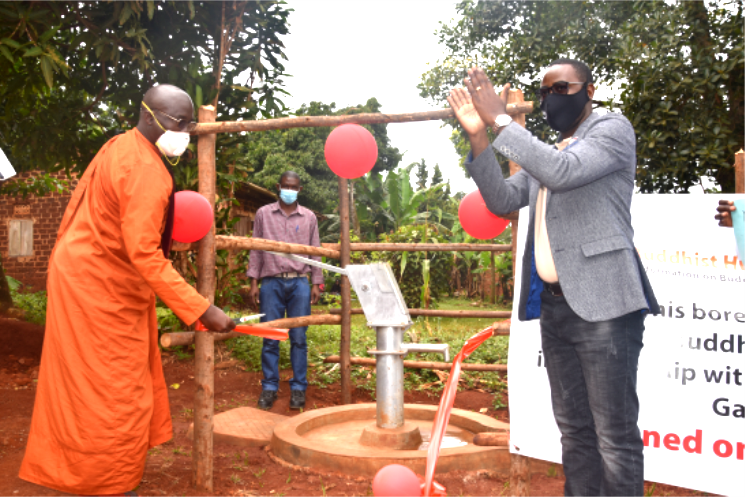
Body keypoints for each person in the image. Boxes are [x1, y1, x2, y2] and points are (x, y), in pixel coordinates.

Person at [447, 59, 659, 497]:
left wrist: (501, 118)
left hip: (604, 307)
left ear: (590, 89)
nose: (552, 98)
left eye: (562, 87)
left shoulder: (611, 130)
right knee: (575, 433)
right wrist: (479, 136)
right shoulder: (554, 150)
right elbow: (503, 199)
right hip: (557, 308)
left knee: (614, 438)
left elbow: (564, 173)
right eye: (545, 92)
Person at [19, 84, 235, 497]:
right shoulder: (145, 172)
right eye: (182, 123)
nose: (187, 132)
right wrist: (202, 310)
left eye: (190, 123)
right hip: (98, 289)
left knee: (90, 386)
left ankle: (90, 473)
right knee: (116, 391)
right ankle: (112, 483)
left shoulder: (120, 145)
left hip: (85, 277)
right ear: (153, 117)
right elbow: (144, 254)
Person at [247, 171, 322, 410]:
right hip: (271, 283)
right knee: (270, 336)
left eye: (294, 187)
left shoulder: (309, 217)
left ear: (299, 190)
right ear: (278, 187)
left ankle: (299, 388)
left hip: (300, 282)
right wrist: (253, 282)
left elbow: (315, 250)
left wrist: (316, 282)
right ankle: (269, 387)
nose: (289, 190)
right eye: (286, 186)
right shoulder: (263, 214)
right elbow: (256, 248)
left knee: (299, 338)